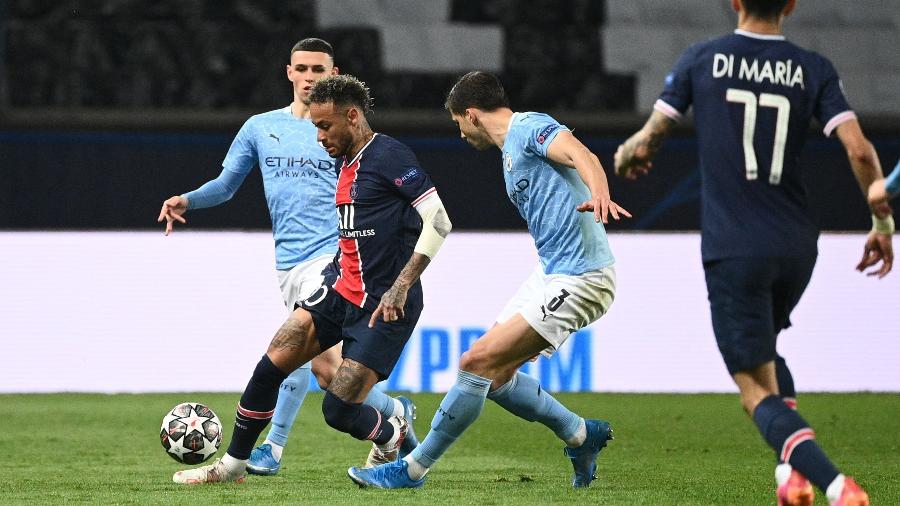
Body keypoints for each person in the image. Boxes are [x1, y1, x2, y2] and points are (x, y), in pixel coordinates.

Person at [614, 1, 893, 504]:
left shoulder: (702, 59)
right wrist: (881, 222)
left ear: (735, 1)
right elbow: (859, 151)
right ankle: (792, 479)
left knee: (753, 392)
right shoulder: (814, 68)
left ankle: (836, 486)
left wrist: (631, 153)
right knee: (768, 354)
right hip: (797, 245)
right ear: (791, 5)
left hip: (735, 247)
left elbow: (649, 138)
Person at [347, 71, 631, 490]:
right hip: (550, 272)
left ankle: (412, 469)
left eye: (457, 122)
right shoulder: (510, 150)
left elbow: (581, 154)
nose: (459, 133)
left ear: (472, 114)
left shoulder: (529, 127)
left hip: (582, 276)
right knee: (494, 377)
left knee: (474, 364)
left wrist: (600, 192)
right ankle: (580, 435)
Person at [170, 73, 451, 484]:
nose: (318, 136)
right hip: (338, 289)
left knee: (337, 411)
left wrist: (402, 283)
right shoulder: (345, 161)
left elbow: (439, 220)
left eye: (324, 126)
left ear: (353, 116)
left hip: (384, 304)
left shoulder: (389, 155)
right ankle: (232, 466)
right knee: (272, 363)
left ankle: (390, 432)